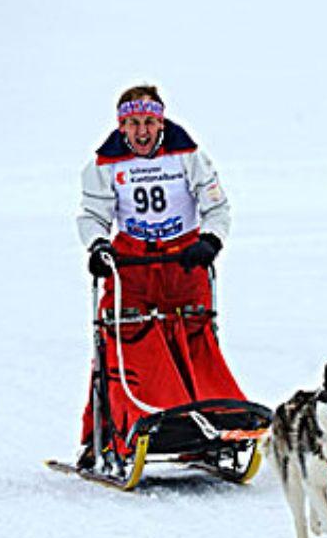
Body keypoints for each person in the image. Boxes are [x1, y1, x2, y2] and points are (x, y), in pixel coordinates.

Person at [76, 84, 244, 467]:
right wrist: (98, 245)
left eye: (149, 122)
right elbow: (93, 215)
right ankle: (115, 433)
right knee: (125, 344)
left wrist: (211, 241)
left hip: (183, 259)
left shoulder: (189, 156)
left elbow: (217, 206)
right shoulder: (104, 165)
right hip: (131, 264)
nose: (141, 132)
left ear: (161, 122)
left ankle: (208, 428)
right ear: (122, 126)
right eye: (133, 123)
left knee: (195, 340)